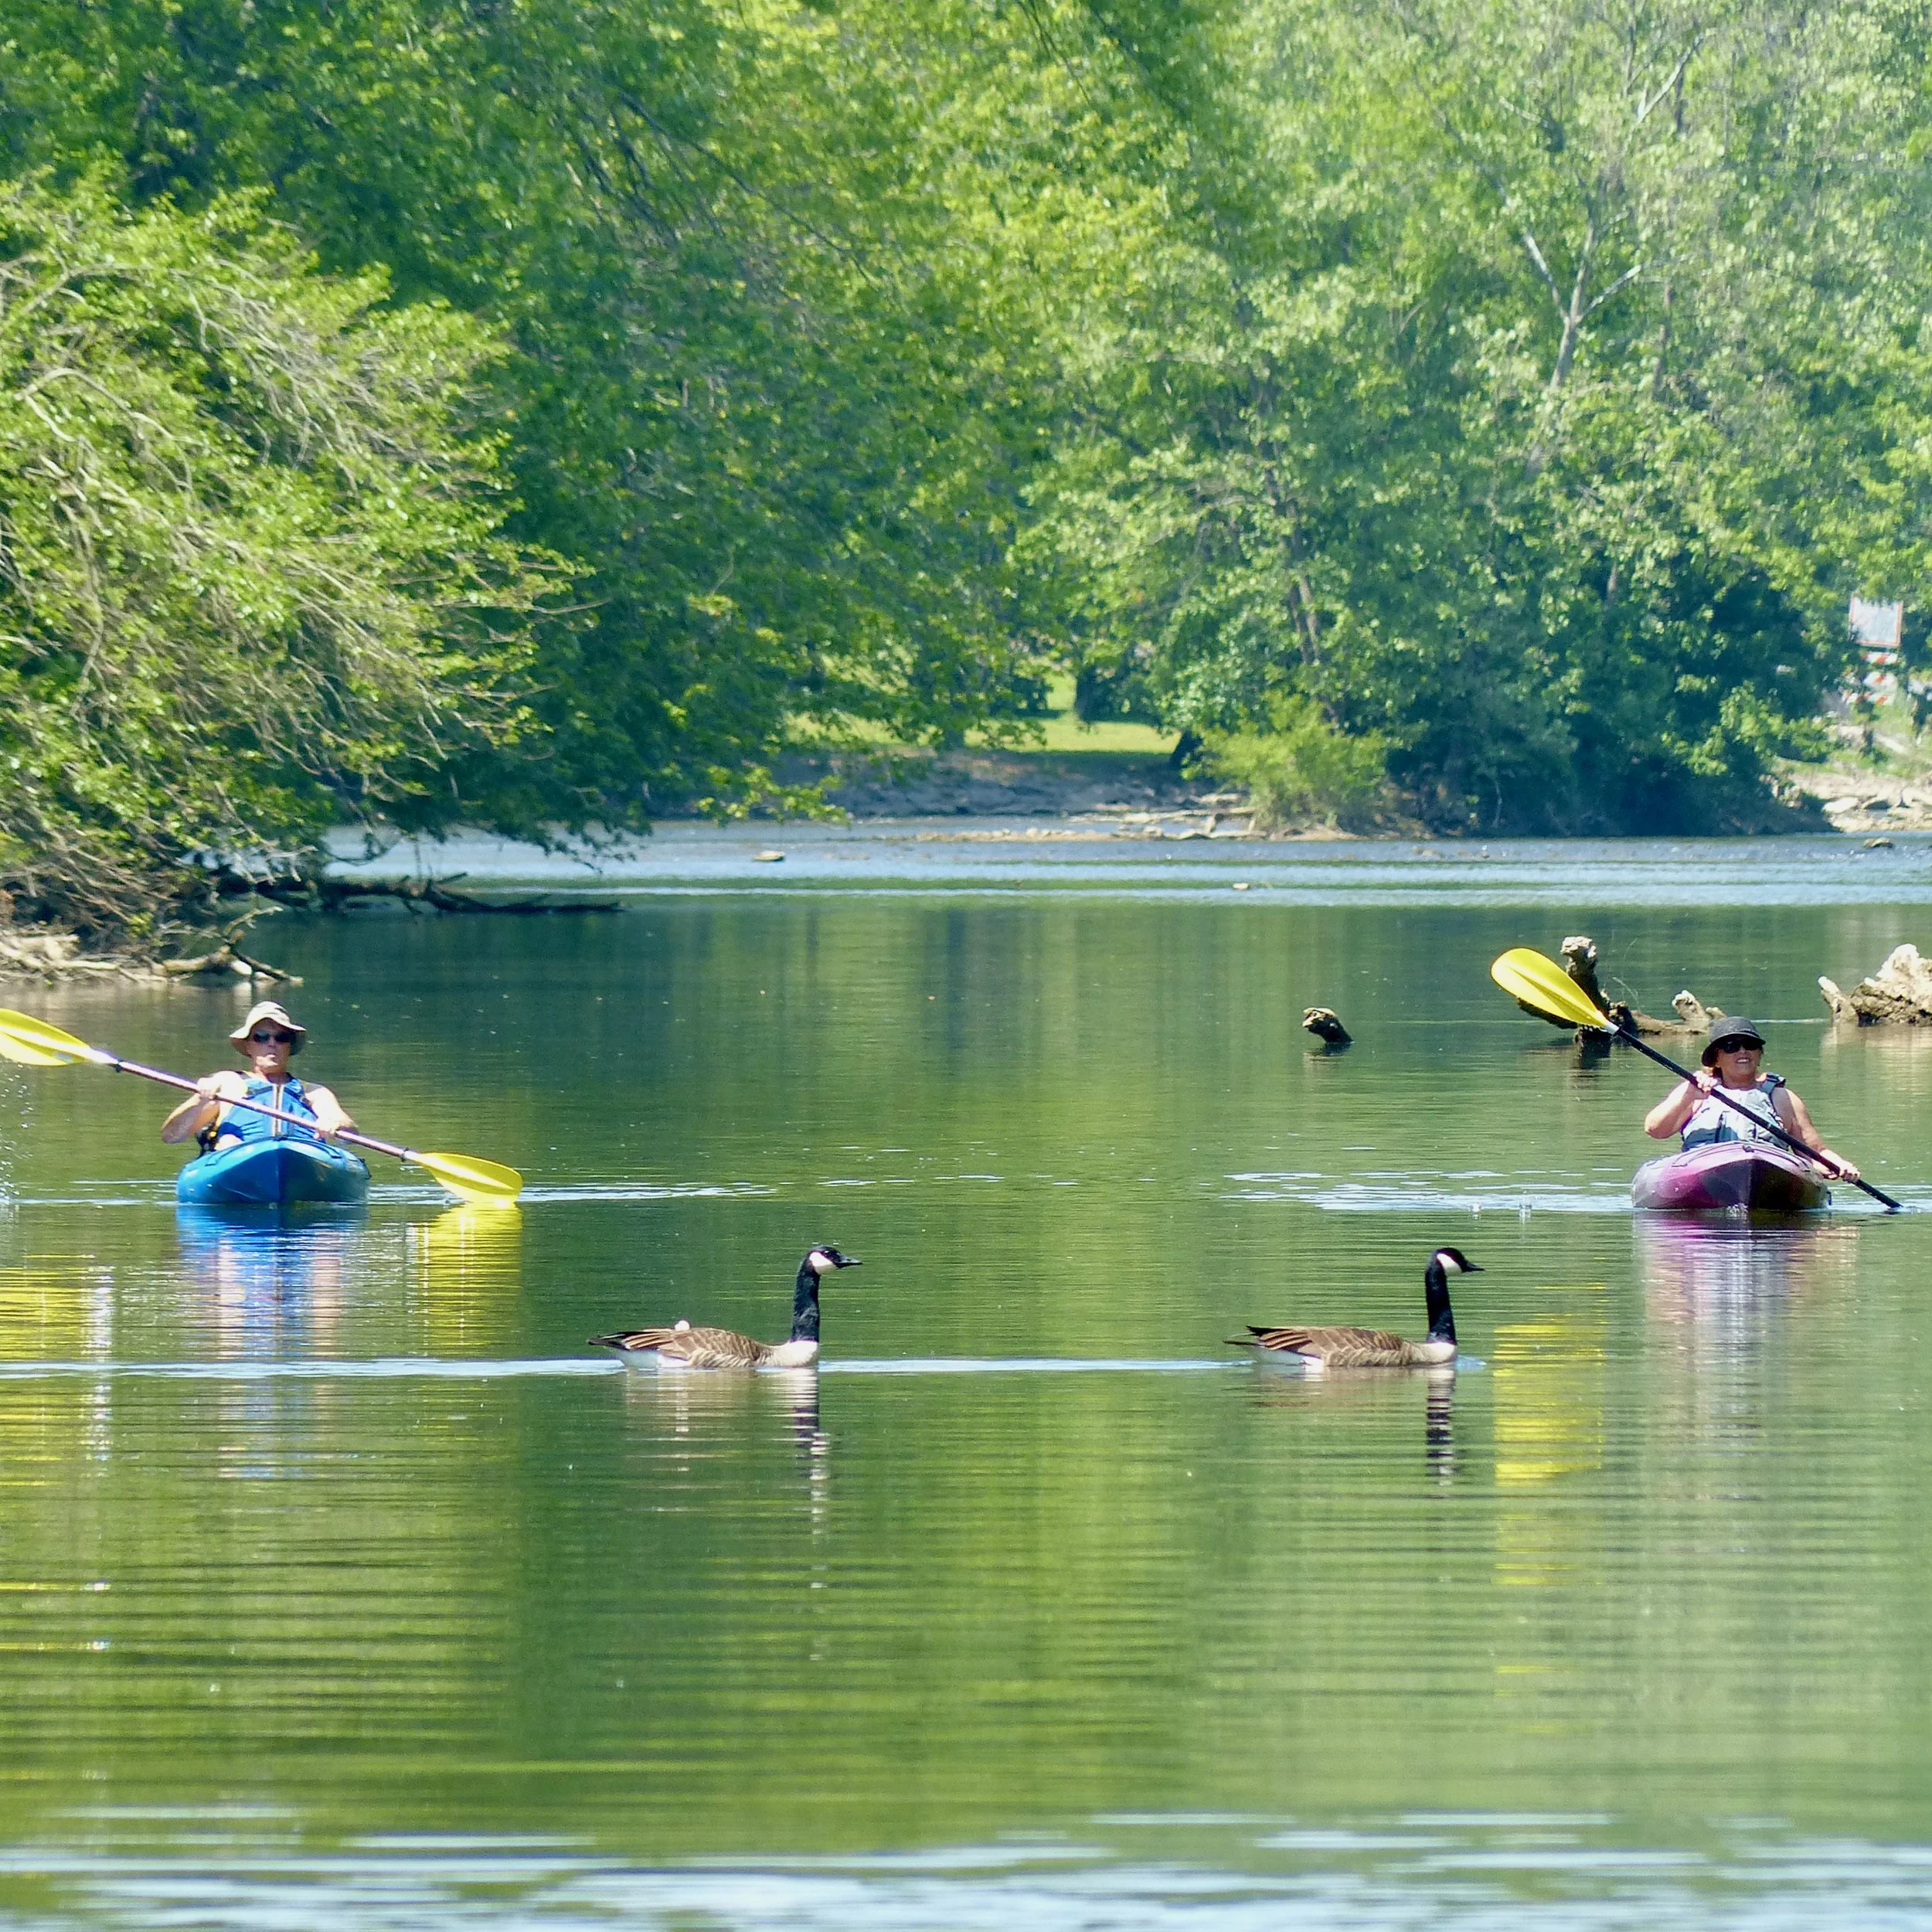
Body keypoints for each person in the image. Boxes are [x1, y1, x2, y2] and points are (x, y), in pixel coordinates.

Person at [1642, 1015, 1857, 1179]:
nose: (1742, 1051)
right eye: (1731, 1047)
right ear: (1716, 1059)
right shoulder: (1695, 1090)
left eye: (1750, 1045)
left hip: (1768, 1177)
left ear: (1760, 1054)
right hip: (1702, 1174)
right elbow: (1655, 1130)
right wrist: (1689, 1095)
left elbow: (1815, 1153)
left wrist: (1840, 1165)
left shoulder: (1782, 1097)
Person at [160, 1001, 355, 1151]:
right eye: (261, 1037)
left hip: (302, 1160)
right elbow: (171, 1136)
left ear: (289, 1046)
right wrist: (200, 1100)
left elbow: (349, 1130)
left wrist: (336, 1123)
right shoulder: (227, 1083)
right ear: (248, 1045)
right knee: (228, 1140)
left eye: (281, 1038)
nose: (272, 1043)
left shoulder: (314, 1093)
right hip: (236, 1159)